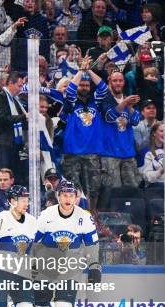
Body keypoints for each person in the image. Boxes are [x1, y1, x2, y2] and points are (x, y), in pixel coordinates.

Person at [31, 180, 101, 307]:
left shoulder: (84, 218)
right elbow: (34, 242)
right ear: (58, 196)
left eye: (71, 195)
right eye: (64, 195)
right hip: (45, 269)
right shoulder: (46, 215)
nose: (68, 199)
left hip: (70, 270)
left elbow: (92, 245)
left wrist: (94, 266)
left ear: (77, 198)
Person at [59, 58, 107, 207]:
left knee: (93, 188)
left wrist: (89, 71)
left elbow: (103, 88)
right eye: (82, 84)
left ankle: (91, 216)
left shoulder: (96, 102)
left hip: (92, 153)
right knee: (73, 188)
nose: (84, 87)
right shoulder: (72, 103)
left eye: (87, 85)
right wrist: (81, 71)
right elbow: (70, 90)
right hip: (72, 153)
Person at [99, 71, 142, 189]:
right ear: (109, 82)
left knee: (132, 189)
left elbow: (136, 121)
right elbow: (109, 117)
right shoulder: (105, 99)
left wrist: (129, 106)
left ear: (124, 82)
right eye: (115, 81)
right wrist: (125, 103)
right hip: (109, 153)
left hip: (128, 152)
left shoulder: (130, 100)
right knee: (113, 190)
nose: (118, 83)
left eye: (120, 80)